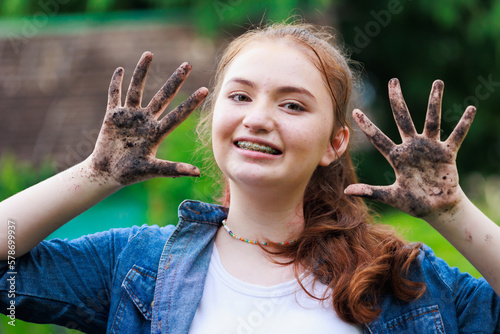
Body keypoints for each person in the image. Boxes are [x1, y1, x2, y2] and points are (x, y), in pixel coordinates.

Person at [1, 21, 500, 333]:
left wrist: (451, 210)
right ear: (213, 117)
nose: (258, 118)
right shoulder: (136, 266)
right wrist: (97, 174)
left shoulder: (400, 278)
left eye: (292, 104)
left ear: (335, 142)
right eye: (239, 96)